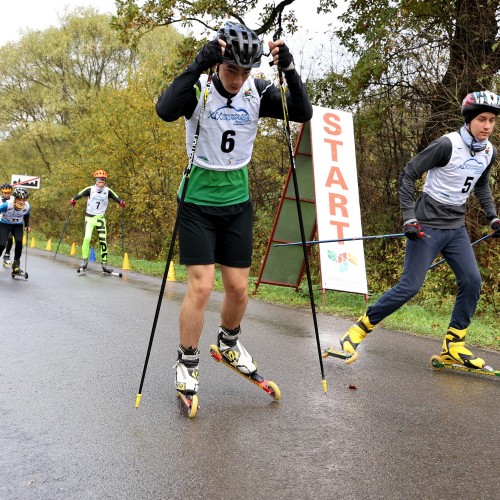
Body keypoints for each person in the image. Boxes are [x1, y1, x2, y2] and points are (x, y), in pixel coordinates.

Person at [156, 21, 313, 398]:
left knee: (239, 288)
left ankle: (228, 343)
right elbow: (164, 110)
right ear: (218, 63)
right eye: (231, 70)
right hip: (196, 201)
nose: (238, 79)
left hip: (236, 202)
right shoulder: (199, 89)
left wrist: (289, 70)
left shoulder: (256, 91)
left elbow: (302, 112)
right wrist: (197, 64)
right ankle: (187, 361)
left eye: (245, 71)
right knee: (202, 285)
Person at [331, 90, 500, 369]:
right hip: (427, 226)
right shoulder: (447, 145)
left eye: (492, 120)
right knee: (410, 286)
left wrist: (493, 217)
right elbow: (408, 174)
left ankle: (454, 346)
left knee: (472, 282)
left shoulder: (488, 152)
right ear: (469, 120)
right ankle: (357, 331)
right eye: (481, 119)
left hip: (456, 228)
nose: (487, 126)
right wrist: (409, 218)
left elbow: (480, 185)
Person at [70, 169, 125, 273]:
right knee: (87, 238)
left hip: (100, 219)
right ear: (95, 181)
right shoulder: (90, 189)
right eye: (99, 182)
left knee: (103, 241)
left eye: (103, 182)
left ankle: (104, 264)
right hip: (89, 219)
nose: (101, 184)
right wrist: (73, 200)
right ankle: (85, 261)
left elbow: (117, 198)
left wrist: (121, 202)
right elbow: (78, 195)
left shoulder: (107, 191)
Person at [0, 187, 31, 275]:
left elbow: (27, 215)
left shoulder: (27, 206)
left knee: (19, 242)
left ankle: (16, 265)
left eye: (24, 200)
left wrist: (27, 225)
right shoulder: (8, 204)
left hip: (18, 225)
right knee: (2, 244)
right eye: (19, 200)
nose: (21, 202)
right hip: (5, 224)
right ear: (15, 199)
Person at [0, 183, 14, 266]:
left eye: (8, 193)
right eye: (5, 193)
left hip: (8, 222)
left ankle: (6, 256)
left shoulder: (14, 199)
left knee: (9, 238)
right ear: (2, 192)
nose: (7, 194)